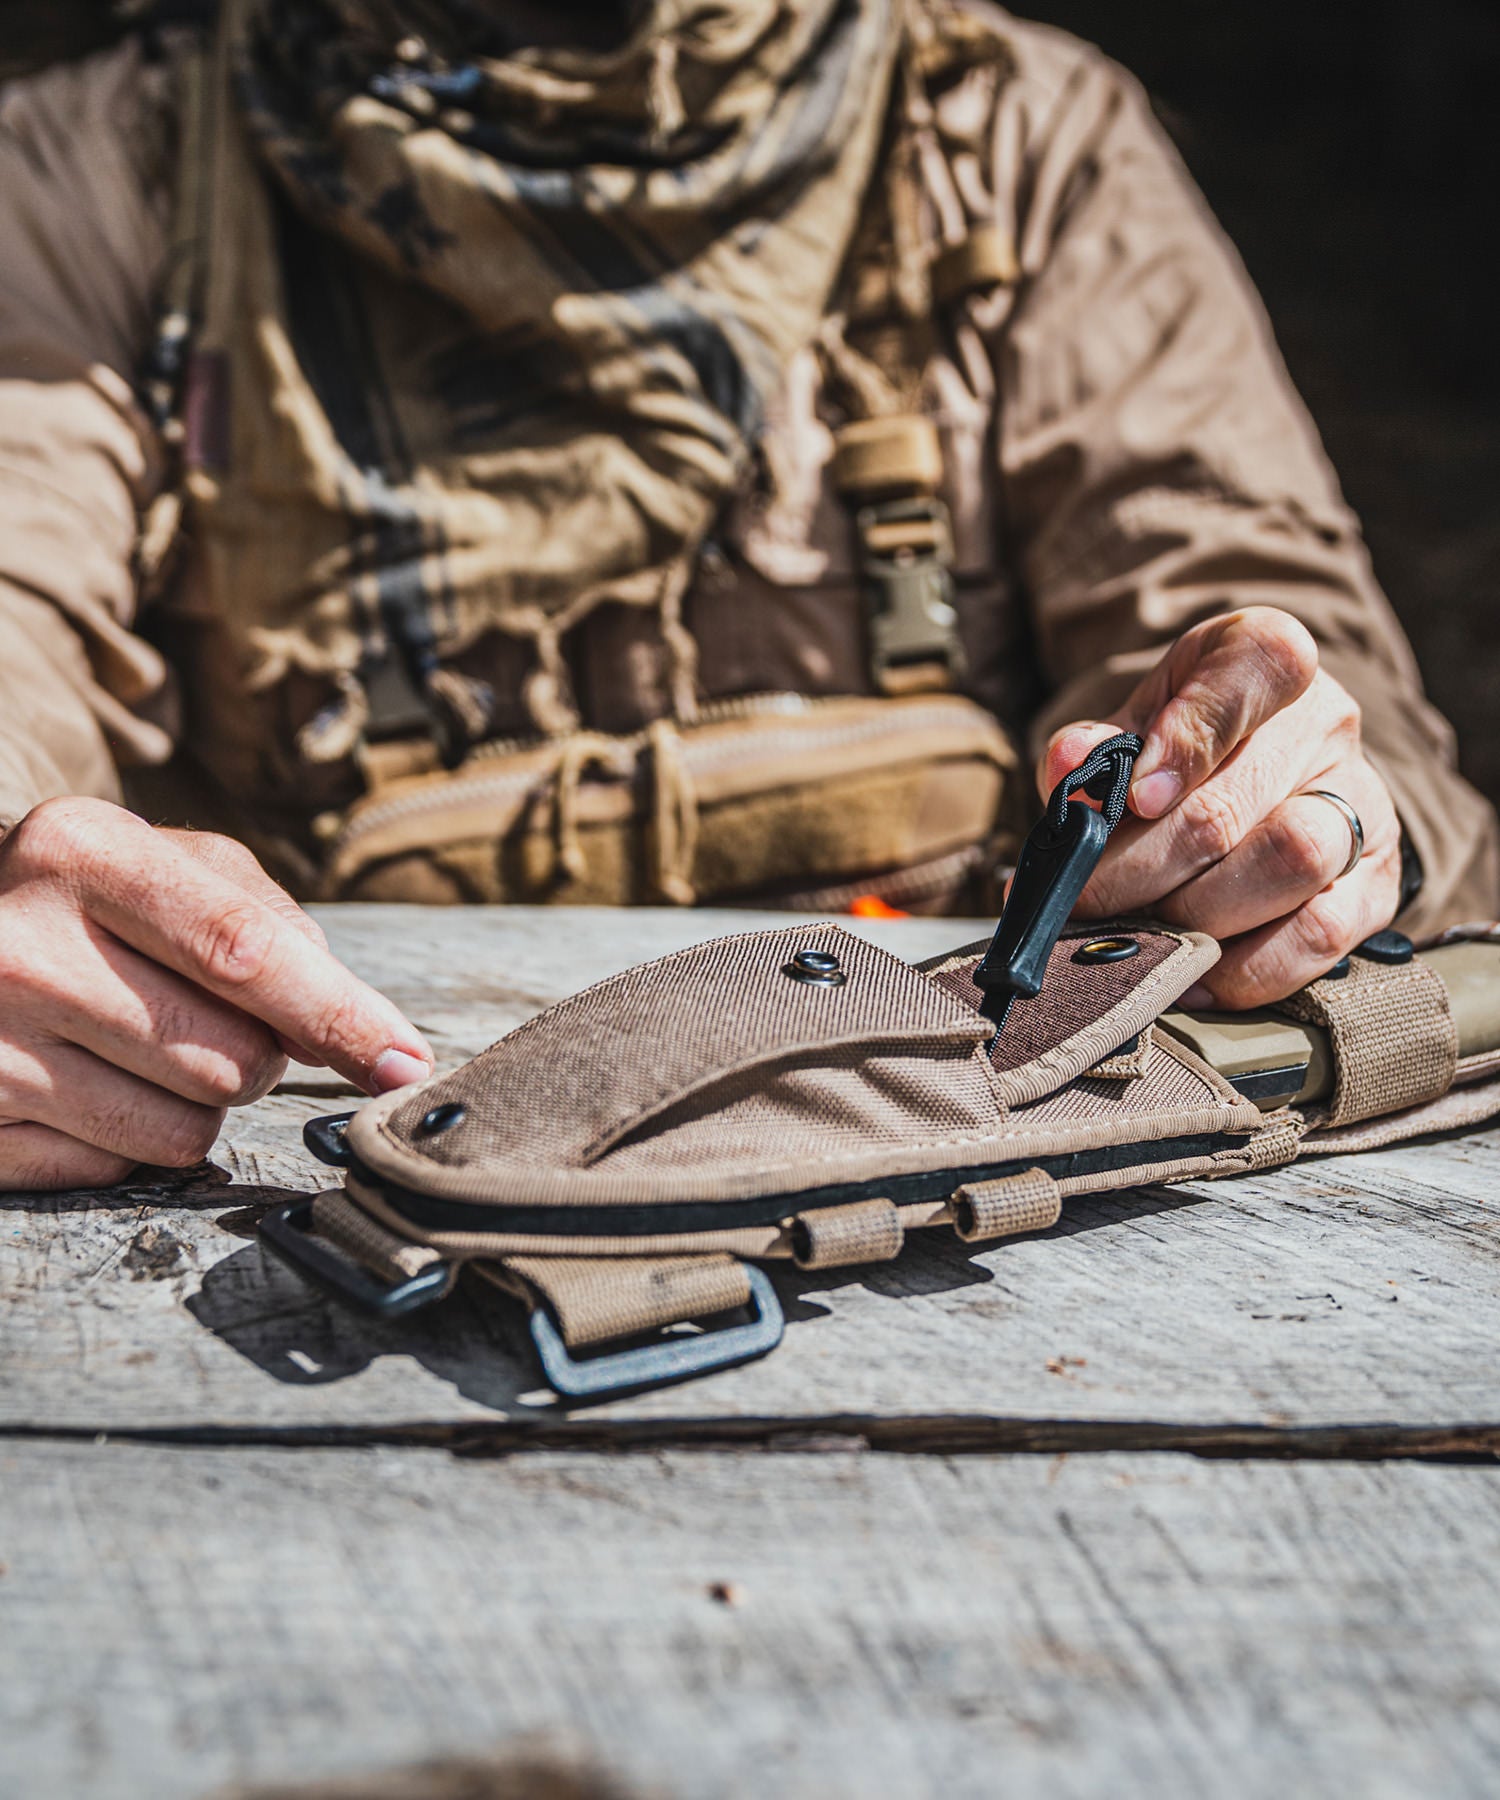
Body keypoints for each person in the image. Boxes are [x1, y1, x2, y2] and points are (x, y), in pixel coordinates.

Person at [0, 0, 1494, 1192]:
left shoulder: (1017, 140)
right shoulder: (103, 173)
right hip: (338, 1190)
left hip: (980, 1182)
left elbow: (1267, 619)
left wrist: (1303, 813)